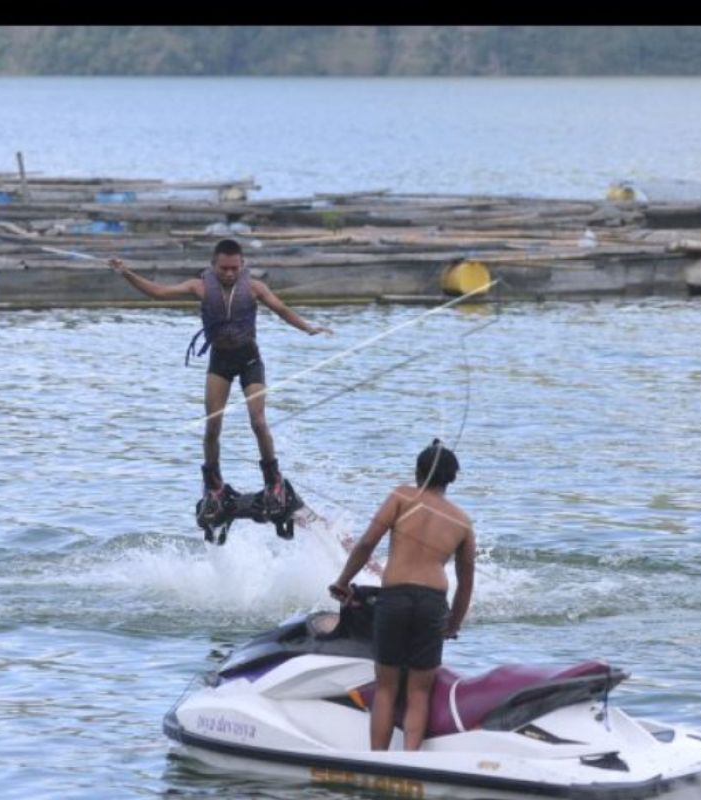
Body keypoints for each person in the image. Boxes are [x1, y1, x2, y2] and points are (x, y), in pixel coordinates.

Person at [108, 239, 331, 523]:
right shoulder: (199, 286)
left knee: (258, 421)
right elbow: (158, 292)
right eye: (224, 268)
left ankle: (273, 480)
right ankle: (213, 484)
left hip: (249, 359)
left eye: (234, 268)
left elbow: (282, 309)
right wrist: (126, 273)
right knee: (212, 426)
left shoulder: (254, 288)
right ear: (214, 266)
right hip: (220, 362)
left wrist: (308, 328)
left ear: (242, 265)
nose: (229, 273)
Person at [328, 440, 476, 751]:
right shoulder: (462, 522)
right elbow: (465, 584)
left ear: (418, 472)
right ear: (451, 479)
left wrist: (343, 582)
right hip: (433, 603)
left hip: (395, 597)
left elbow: (367, 544)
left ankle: (379, 759)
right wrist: (454, 624)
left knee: (386, 687)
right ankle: (410, 762)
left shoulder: (401, 496)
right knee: (419, 693)